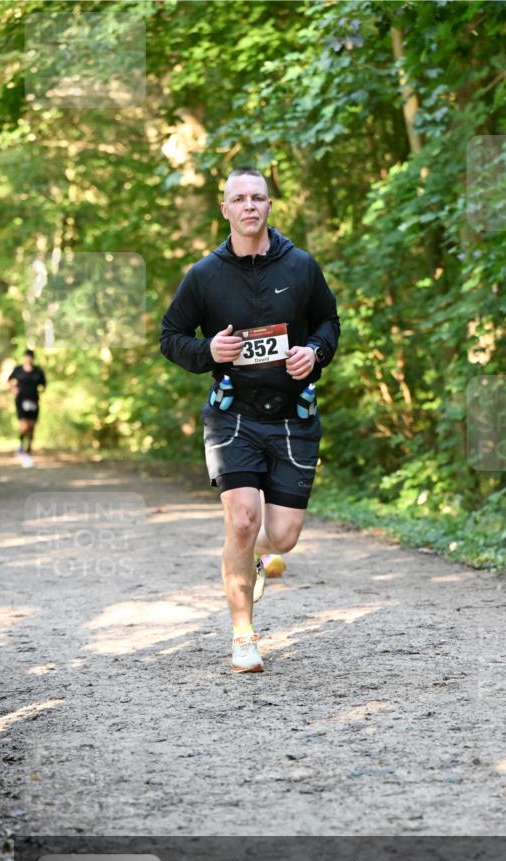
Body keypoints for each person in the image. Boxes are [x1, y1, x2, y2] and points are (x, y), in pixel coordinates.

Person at [160, 167, 340, 674]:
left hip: (293, 416)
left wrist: (316, 351)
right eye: (238, 199)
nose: (249, 206)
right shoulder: (204, 275)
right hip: (232, 415)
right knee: (241, 519)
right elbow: (171, 335)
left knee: (282, 537)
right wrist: (207, 350)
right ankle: (244, 637)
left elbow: (330, 321)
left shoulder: (301, 266)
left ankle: (256, 556)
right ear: (225, 210)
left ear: (268, 206)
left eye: (257, 197)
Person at [8, 348, 46, 467]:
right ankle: (21, 445)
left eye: (30, 357)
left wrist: (40, 392)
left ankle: (28, 448)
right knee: (24, 425)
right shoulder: (18, 370)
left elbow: (44, 385)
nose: (28, 359)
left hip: (33, 400)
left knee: (32, 426)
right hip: (21, 400)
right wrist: (14, 389)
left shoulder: (38, 371)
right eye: (27, 357)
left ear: (33, 358)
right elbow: (10, 381)